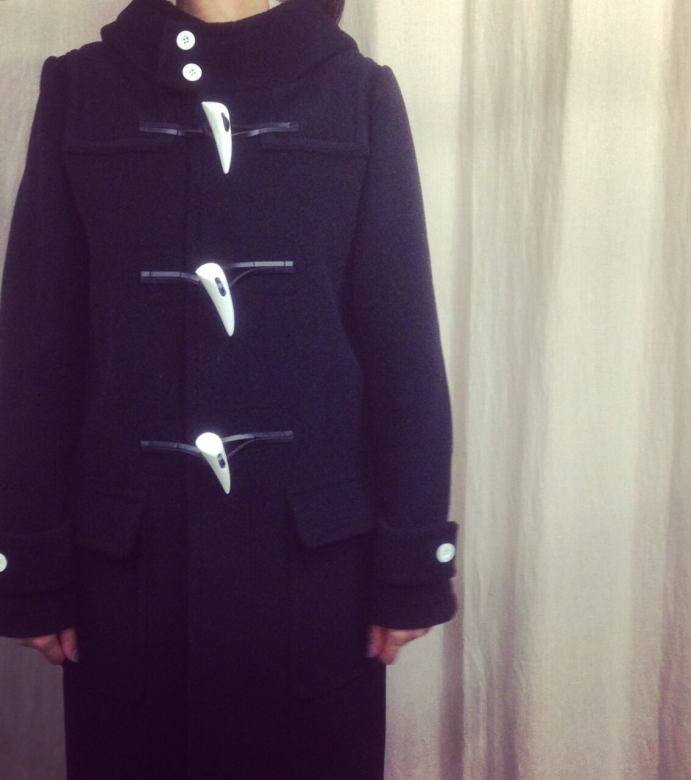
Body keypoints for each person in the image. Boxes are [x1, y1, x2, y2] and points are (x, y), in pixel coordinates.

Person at [0, 0, 457, 777]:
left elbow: (402, 342)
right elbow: (37, 348)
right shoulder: (83, 89)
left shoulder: (357, 92)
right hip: (129, 574)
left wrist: (412, 560)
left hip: (313, 576)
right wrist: (30, 564)